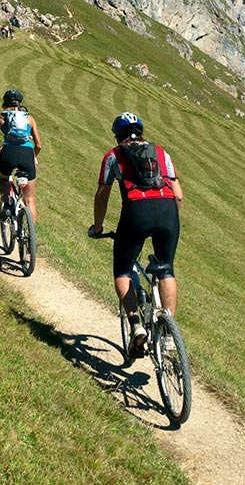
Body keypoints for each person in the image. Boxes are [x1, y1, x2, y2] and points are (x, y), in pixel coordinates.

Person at [89, 112, 183, 352]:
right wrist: (169, 218)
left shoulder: (113, 155)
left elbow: (102, 195)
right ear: (141, 131)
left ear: (118, 135)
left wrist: (98, 227)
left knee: (122, 271)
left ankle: (136, 325)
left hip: (136, 210)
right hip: (168, 209)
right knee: (166, 269)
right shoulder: (162, 152)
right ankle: (168, 332)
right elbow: (178, 194)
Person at [0, 89, 42, 223]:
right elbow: (38, 145)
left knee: (3, 179)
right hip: (27, 154)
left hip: (8, 153)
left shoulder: (0, 118)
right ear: (20, 103)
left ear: (5, 102)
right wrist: (33, 156)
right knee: (29, 199)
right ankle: (31, 237)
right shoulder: (29, 119)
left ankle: (7, 204)